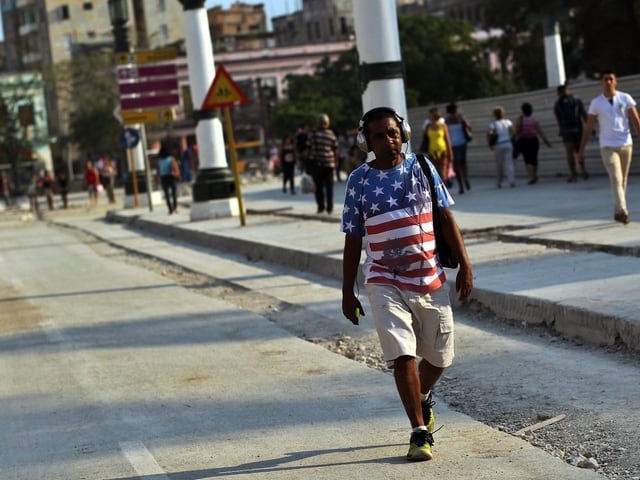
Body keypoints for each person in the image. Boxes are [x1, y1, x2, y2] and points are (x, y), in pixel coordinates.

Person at [341, 107, 473, 462]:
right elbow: (353, 239)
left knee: (440, 358)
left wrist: (465, 264)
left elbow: (446, 218)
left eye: (392, 132)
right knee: (402, 356)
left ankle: (423, 396)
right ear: (366, 141)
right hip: (383, 278)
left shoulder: (424, 168)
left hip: (430, 278)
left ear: (404, 132)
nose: (388, 140)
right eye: (379, 136)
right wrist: (346, 291)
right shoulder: (360, 180)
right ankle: (419, 431)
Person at [577, 70, 640, 224]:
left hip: (626, 144)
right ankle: (623, 211)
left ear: (615, 81)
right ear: (601, 83)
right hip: (607, 146)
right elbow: (589, 127)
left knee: (622, 179)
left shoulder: (625, 98)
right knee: (616, 177)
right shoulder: (596, 103)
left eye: (611, 79)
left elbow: (636, 120)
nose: (608, 82)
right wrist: (581, 149)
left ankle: (618, 210)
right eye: (605, 79)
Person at [554, 84, 589, 182]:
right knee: (579, 151)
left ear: (558, 93)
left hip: (566, 131)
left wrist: (561, 130)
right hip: (578, 130)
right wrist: (590, 127)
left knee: (569, 153)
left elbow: (558, 120)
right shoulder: (577, 100)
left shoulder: (557, 104)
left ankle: (573, 175)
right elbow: (584, 114)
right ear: (568, 90)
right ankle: (583, 170)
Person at [305, 113, 338, 214]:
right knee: (329, 187)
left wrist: (306, 161)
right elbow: (335, 149)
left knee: (318, 187)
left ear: (318, 123)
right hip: (329, 164)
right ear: (327, 123)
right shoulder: (331, 134)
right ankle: (330, 208)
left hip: (316, 164)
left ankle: (320, 208)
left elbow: (307, 150)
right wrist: (335, 161)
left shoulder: (312, 134)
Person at [513, 102, 552, 185]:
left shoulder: (520, 119)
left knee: (528, 160)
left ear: (522, 111)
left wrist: (513, 140)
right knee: (534, 159)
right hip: (534, 141)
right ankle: (535, 176)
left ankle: (531, 178)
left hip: (524, 141)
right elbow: (541, 132)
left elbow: (516, 132)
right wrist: (546, 142)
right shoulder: (534, 120)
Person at [420, 107, 453, 186]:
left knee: (443, 172)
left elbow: (447, 140)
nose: (429, 118)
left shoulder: (443, 126)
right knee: (434, 172)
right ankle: (438, 189)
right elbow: (425, 138)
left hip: (442, 151)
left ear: (435, 117)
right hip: (432, 152)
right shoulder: (428, 126)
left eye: (431, 116)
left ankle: (444, 189)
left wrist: (451, 153)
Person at [445, 103, 472, 194]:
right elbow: (469, 128)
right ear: (456, 109)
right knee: (463, 163)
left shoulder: (447, 120)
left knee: (456, 165)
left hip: (452, 145)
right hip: (462, 143)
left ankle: (461, 187)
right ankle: (466, 178)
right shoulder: (461, 118)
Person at [487, 106, 516, 188]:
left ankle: (499, 182)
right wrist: (511, 139)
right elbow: (514, 132)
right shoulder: (508, 122)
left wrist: (490, 143)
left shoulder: (493, 124)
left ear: (495, 115)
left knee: (499, 164)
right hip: (508, 143)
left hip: (499, 145)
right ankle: (512, 181)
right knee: (510, 163)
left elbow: (490, 133)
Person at [157, 144, 180, 214]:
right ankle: (175, 207)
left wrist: (159, 178)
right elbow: (175, 167)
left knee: (167, 195)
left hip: (164, 178)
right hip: (171, 177)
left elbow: (159, 170)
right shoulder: (171, 159)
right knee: (174, 193)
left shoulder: (160, 160)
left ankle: (170, 209)